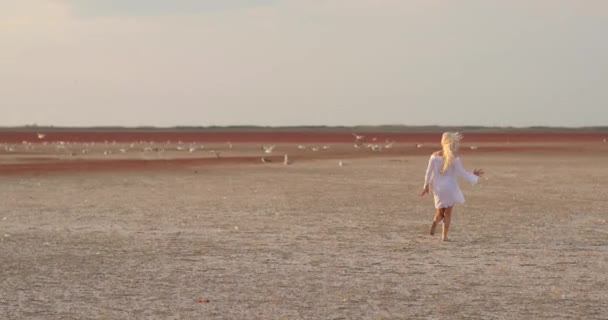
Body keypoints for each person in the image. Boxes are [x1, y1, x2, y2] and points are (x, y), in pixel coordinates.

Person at [420, 132, 484, 241]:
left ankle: (436, 220)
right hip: (450, 187)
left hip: (438, 188)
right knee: (448, 213)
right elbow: (462, 172)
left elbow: (429, 172)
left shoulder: (434, 156)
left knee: (440, 212)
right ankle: (444, 237)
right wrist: (473, 175)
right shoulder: (454, 158)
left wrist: (426, 185)